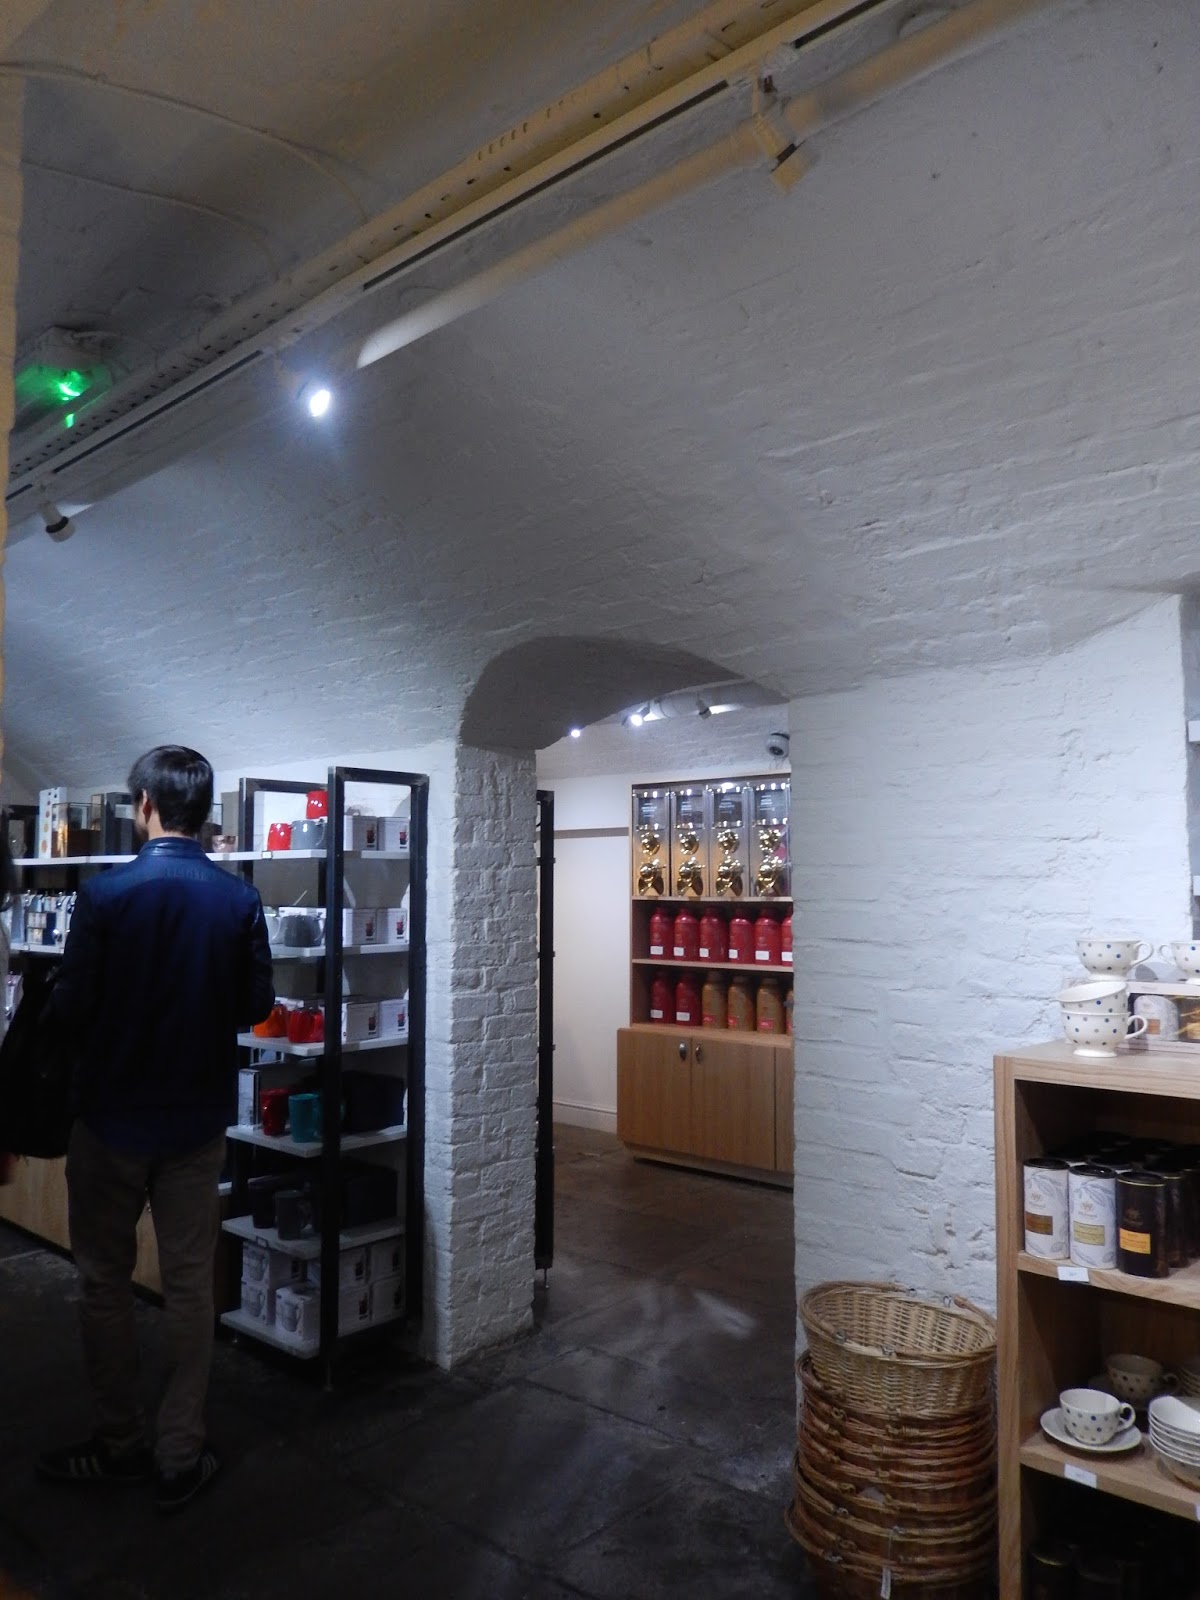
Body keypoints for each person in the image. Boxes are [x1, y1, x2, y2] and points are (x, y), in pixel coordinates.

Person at [37, 746, 273, 1511]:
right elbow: (254, 1005)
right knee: (190, 1286)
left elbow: (71, 1006)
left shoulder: (104, 895)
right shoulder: (238, 900)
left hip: (110, 1118)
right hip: (198, 1121)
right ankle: (180, 1452)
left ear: (143, 805)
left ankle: (120, 1443)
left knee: (103, 1281)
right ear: (202, 812)